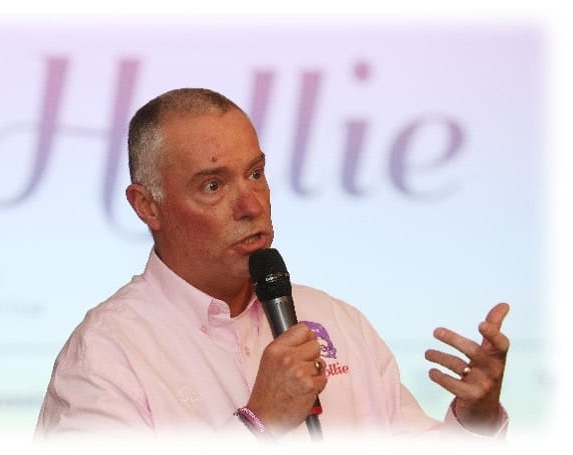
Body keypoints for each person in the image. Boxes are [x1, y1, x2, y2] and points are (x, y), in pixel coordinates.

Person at [35, 88, 510, 441]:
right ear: (147, 206)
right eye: (213, 186)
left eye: (256, 173)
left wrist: (477, 423)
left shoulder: (338, 322)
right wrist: (258, 424)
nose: (252, 205)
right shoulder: (106, 353)